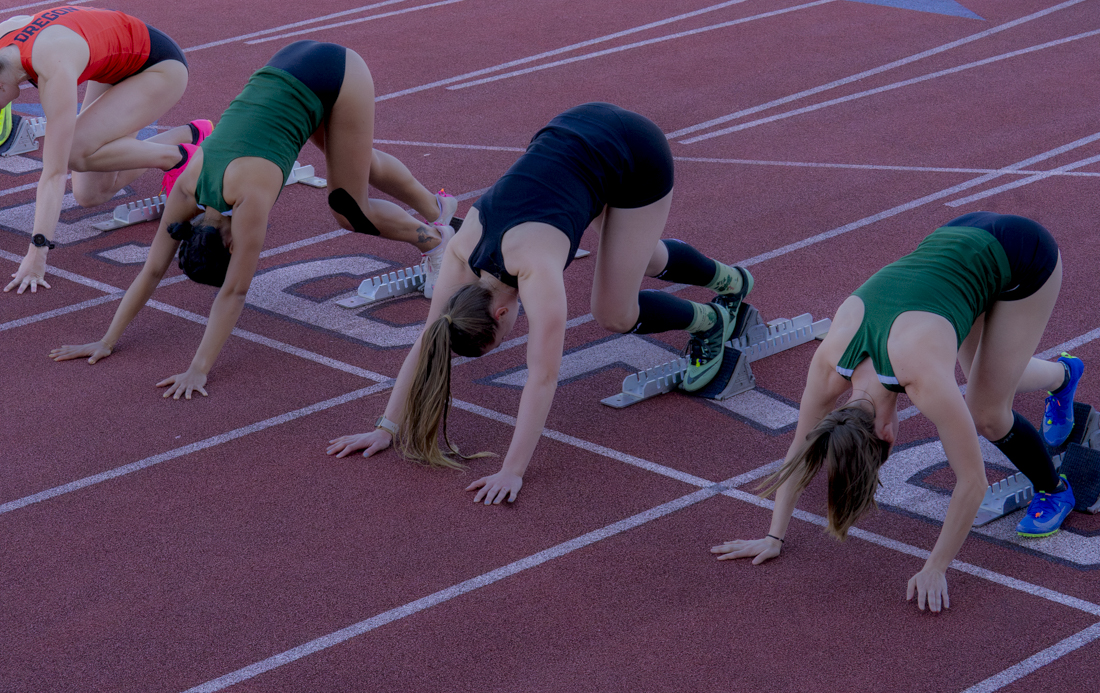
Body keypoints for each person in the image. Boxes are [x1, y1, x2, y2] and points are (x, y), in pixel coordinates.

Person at [327, 102, 754, 504]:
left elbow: (543, 378)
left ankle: (712, 320)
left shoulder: (535, 272)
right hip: (572, 135)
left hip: (635, 152)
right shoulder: (461, 253)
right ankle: (729, 279)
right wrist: (386, 428)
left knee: (614, 312)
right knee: (634, 256)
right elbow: (428, 339)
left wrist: (512, 470)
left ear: (499, 314)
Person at [710, 212, 1084, 612]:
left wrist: (935, 567)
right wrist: (774, 536)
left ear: (886, 436)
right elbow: (800, 451)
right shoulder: (828, 363)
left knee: (986, 413)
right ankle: (1064, 375)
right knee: (986, 377)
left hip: (1023, 257)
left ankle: (1055, 491)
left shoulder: (920, 376)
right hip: (958, 238)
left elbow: (972, 483)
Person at [49, 40, 457, 397]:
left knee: (350, 210)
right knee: (353, 161)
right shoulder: (187, 189)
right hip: (288, 63)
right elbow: (152, 270)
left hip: (336, 75)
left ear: (229, 243)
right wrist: (106, 339)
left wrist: (199, 368)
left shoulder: (249, 199)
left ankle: (437, 242)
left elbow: (234, 293)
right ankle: (438, 208)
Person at [0, 6, 206, 294]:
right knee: (91, 193)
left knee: (71, 152)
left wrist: (37, 252)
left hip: (158, 67)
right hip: (114, 61)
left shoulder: (52, 70)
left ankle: (180, 158)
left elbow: (54, 173)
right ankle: (193, 135)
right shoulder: (4, 45)